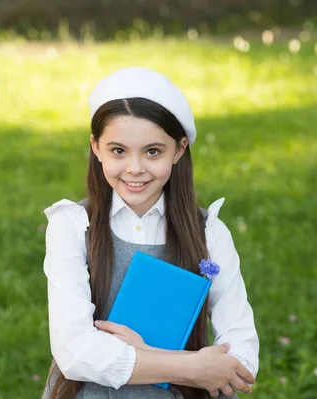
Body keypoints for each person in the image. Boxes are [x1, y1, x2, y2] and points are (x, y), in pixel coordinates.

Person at [41, 67, 259, 399]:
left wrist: (149, 358)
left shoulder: (208, 232)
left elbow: (241, 350)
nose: (134, 168)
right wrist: (190, 367)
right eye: (118, 151)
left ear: (180, 149)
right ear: (96, 147)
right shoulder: (71, 225)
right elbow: (75, 352)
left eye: (152, 151)